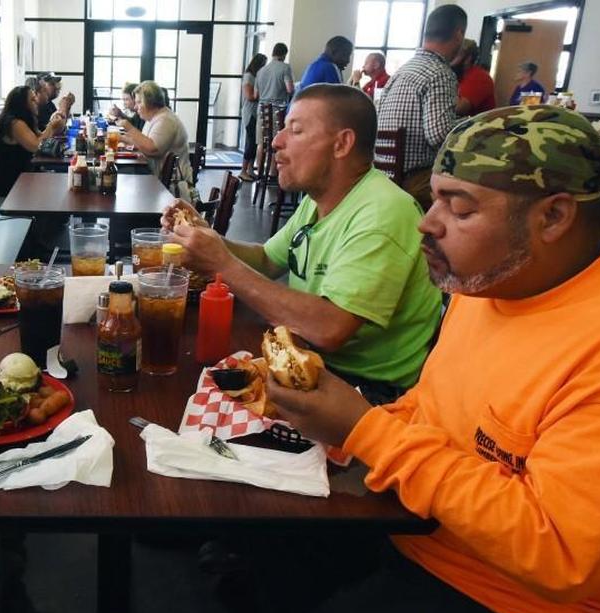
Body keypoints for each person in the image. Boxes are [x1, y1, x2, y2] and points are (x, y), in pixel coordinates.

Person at [266, 104, 600, 613]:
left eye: (458, 209)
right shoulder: (487, 281)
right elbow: (434, 405)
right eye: (434, 197)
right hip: (419, 537)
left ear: (553, 218)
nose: (425, 224)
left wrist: (366, 430)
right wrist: (344, 422)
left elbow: (559, 554)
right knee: (248, 556)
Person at [165, 84, 442, 403]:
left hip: (369, 392)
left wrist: (221, 264)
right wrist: (208, 237)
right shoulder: (321, 200)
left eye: (295, 131)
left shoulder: (383, 212)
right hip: (308, 359)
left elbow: (330, 327)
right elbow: (268, 259)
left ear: (342, 144)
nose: (276, 142)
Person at [376, 4, 466, 210]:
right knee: (476, 192)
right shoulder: (440, 73)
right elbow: (439, 135)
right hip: (414, 182)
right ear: (459, 34)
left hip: (384, 178)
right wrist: (470, 123)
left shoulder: (402, 71)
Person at [116, 80, 196, 202]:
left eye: (138, 102)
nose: (136, 107)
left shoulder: (165, 120)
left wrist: (129, 127)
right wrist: (120, 138)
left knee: (122, 188)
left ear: (150, 103)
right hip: (159, 180)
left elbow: (152, 149)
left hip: (170, 190)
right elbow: (142, 143)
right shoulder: (154, 118)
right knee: (122, 176)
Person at [0, 84, 66, 197]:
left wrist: (54, 123)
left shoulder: (26, 120)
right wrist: (52, 126)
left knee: (59, 186)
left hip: (24, 176)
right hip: (9, 182)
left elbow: (42, 137)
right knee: (57, 191)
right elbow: (36, 146)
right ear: (22, 104)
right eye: (32, 99)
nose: (36, 101)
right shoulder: (15, 123)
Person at [253, 43, 295, 171]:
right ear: (284, 54)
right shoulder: (285, 68)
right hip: (277, 110)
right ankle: (272, 172)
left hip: (262, 110)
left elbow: (256, 94)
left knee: (261, 142)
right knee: (276, 142)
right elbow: (290, 89)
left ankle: (259, 170)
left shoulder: (261, 71)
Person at [239, 53, 267, 182]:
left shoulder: (256, 76)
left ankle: (250, 168)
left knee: (255, 142)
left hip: (256, 112)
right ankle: (243, 170)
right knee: (250, 142)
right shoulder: (249, 76)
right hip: (250, 112)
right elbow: (250, 96)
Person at [451, 38, 496, 116]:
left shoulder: (480, 77)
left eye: (455, 55)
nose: (450, 59)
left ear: (468, 58)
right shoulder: (458, 75)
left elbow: (459, 108)